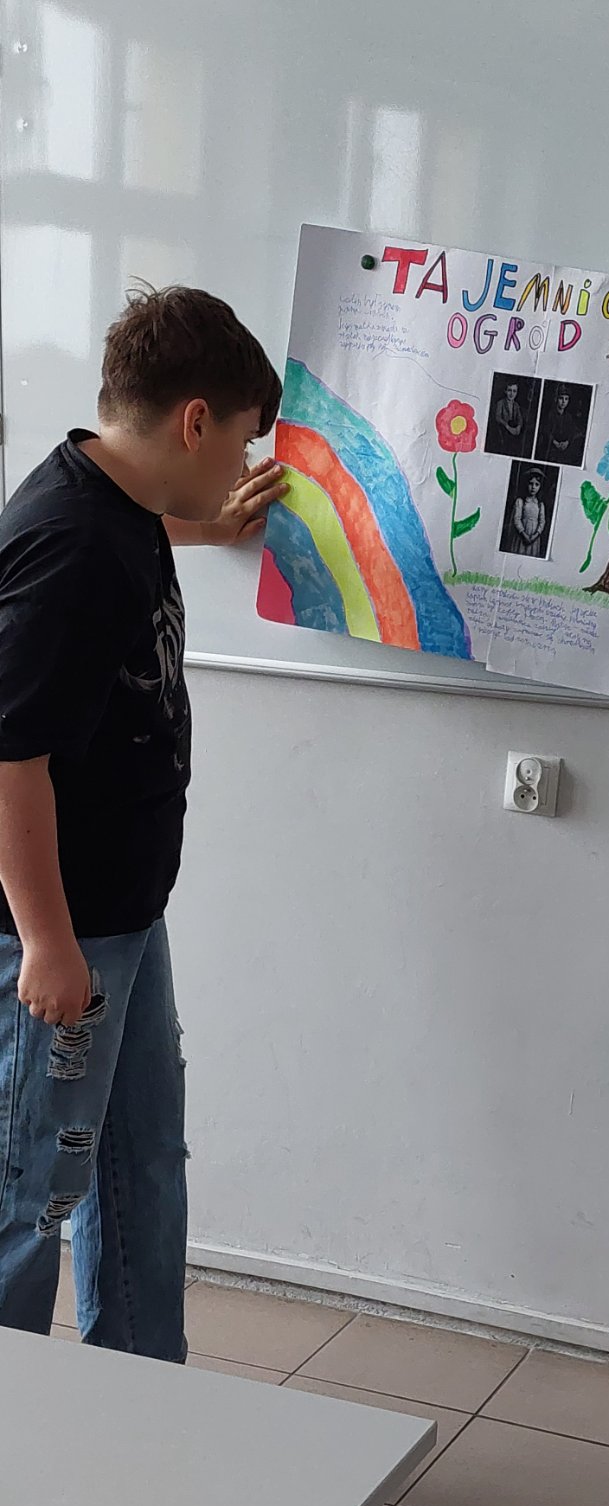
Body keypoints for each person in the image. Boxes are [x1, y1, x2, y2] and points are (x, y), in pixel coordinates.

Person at [0, 285, 284, 1362]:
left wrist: (207, 525)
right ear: (194, 421)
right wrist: (47, 942)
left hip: (122, 916)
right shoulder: (71, 547)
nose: (244, 462)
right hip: (62, 935)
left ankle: (144, 1394)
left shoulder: (110, 497)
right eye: (243, 439)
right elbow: (8, 757)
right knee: (33, 1192)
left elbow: (136, 525)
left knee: (140, 1164)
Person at [510, 470, 546, 556]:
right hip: (522, 535)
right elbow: (517, 519)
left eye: (537, 484)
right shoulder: (520, 501)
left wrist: (535, 535)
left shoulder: (540, 504)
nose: (533, 487)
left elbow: (542, 521)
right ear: (526, 484)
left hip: (534, 537)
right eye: (531, 484)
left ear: (540, 486)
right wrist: (524, 535)